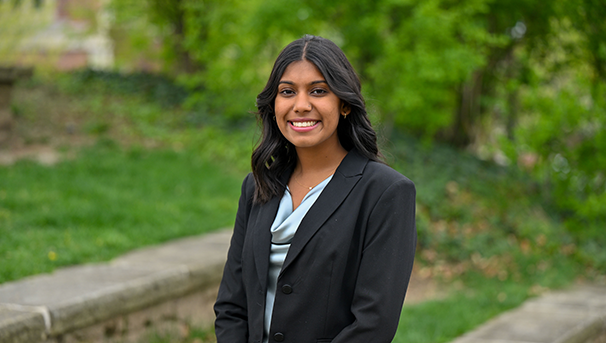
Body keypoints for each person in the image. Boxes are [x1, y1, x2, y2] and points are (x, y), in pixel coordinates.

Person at [214, 34, 416, 343]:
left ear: (344, 104)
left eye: (318, 91)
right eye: (287, 91)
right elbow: (231, 304)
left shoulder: (385, 193)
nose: (301, 105)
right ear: (274, 103)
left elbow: (374, 324)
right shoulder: (257, 186)